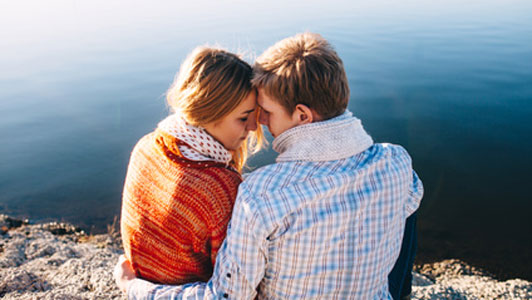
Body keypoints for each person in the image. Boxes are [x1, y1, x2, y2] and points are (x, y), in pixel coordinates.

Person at [115, 32, 423, 299]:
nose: (259, 123)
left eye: (267, 112)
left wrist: (136, 288)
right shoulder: (396, 160)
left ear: (302, 116)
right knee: (407, 197)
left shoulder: (261, 193)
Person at [120, 46, 263, 285]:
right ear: (209, 113)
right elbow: (231, 284)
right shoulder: (219, 187)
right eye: (243, 117)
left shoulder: (145, 146)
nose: (252, 127)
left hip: (145, 285)